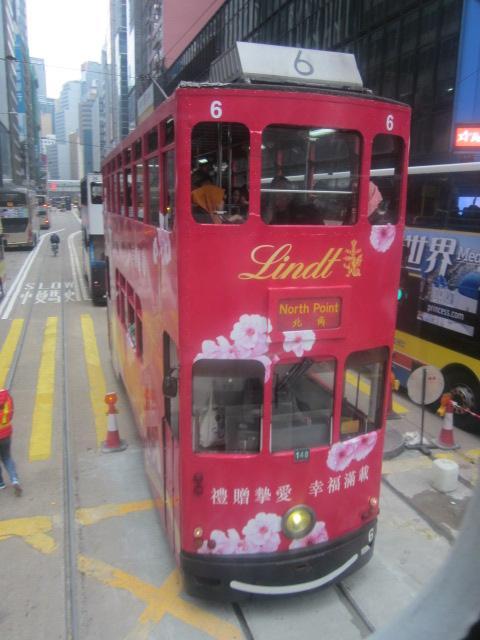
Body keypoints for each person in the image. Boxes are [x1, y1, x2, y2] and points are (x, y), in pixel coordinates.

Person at [0, 388, 22, 495]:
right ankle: (14, 479)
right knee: (7, 457)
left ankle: (1, 483)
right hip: (6, 432)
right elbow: (11, 413)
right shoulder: (7, 397)